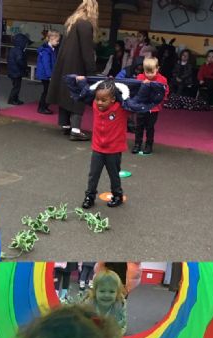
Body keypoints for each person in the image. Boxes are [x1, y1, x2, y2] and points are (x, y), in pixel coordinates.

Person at [67, 76, 166, 209]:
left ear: (113, 99)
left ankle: (117, 195)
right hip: (98, 149)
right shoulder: (95, 105)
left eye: (103, 100)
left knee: (114, 175)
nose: (99, 103)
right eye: (97, 99)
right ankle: (89, 197)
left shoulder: (122, 109)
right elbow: (86, 93)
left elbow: (137, 100)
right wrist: (82, 81)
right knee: (93, 175)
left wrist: (144, 86)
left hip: (114, 150)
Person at [47, 0, 99, 141]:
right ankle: (75, 130)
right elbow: (87, 51)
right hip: (77, 66)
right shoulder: (85, 25)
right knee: (78, 95)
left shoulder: (72, 22)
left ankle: (65, 125)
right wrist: (91, 72)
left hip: (64, 64)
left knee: (65, 93)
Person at [132, 57, 168, 155]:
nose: (149, 74)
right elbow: (135, 90)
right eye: (147, 72)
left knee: (150, 127)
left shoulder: (162, 79)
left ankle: (149, 145)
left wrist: (161, 100)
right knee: (139, 126)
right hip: (141, 107)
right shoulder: (140, 77)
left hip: (153, 108)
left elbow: (164, 92)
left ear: (157, 69)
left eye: (152, 72)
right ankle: (137, 144)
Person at [80, 270, 128, 334]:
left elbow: (122, 325)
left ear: (117, 293)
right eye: (102, 291)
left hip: (111, 335)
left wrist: (115, 334)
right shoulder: (88, 305)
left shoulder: (119, 306)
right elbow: (80, 323)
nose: (106, 295)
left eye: (111, 292)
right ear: (95, 291)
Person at [36, 30, 60, 114]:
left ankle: (43, 107)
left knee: (47, 91)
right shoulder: (46, 51)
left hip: (47, 74)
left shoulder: (52, 49)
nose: (58, 42)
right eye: (57, 41)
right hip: (45, 75)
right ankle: (42, 108)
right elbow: (46, 64)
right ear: (51, 39)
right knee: (47, 92)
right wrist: (50, 76)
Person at [7, 33, 31, 105]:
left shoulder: (12, 49)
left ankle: (15, 99)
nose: (26, 45)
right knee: (16, 87)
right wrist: (25, 67)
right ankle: (12, 100)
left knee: (15, 86)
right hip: (17, 72)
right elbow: (20, 60)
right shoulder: (19, 51)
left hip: (12, 71)